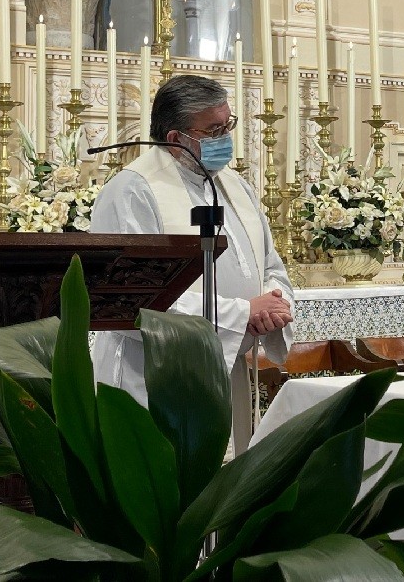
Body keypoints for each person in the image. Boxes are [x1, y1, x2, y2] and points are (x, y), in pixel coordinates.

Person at [91, 75, 293, 448]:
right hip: (153, 379)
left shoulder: (236, 185)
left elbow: (271, 266)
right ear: (175, 138)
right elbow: (130, 298)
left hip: (225, 368)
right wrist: (241, 313)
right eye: (215, 130)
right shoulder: (132, 191)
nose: (226, 139)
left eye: (228, 125)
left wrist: (273, 304)